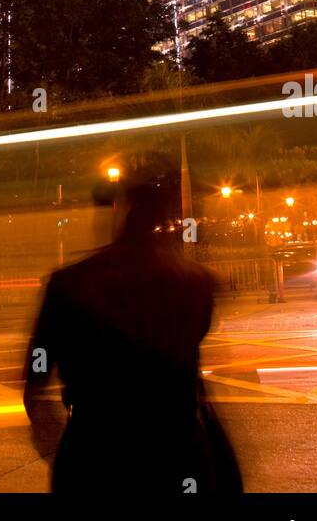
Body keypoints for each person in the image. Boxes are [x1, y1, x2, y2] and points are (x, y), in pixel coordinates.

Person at [23, 152, 242, 495]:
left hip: (94, 451)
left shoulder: (69, 284)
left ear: (119, 209)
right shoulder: (197, 283)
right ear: (165, 215)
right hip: (178, 452)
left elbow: (36, 377)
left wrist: (57, 443)